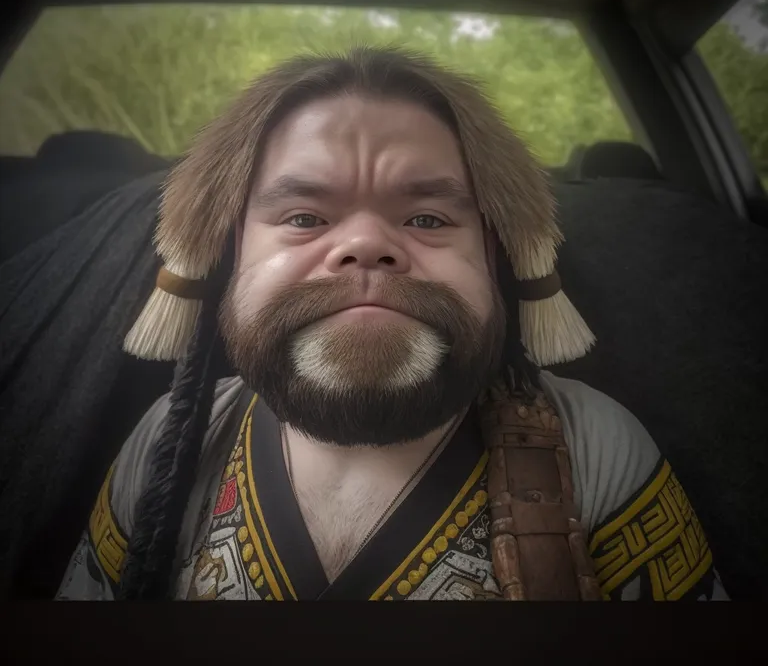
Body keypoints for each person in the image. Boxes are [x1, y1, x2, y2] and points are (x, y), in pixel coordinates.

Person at [56, 46, 728, 601]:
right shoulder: (168, 442)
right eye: (304, 218)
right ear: (230, 257)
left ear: (494, 259)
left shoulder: (598, 447)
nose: (367, 244)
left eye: (429, 219)